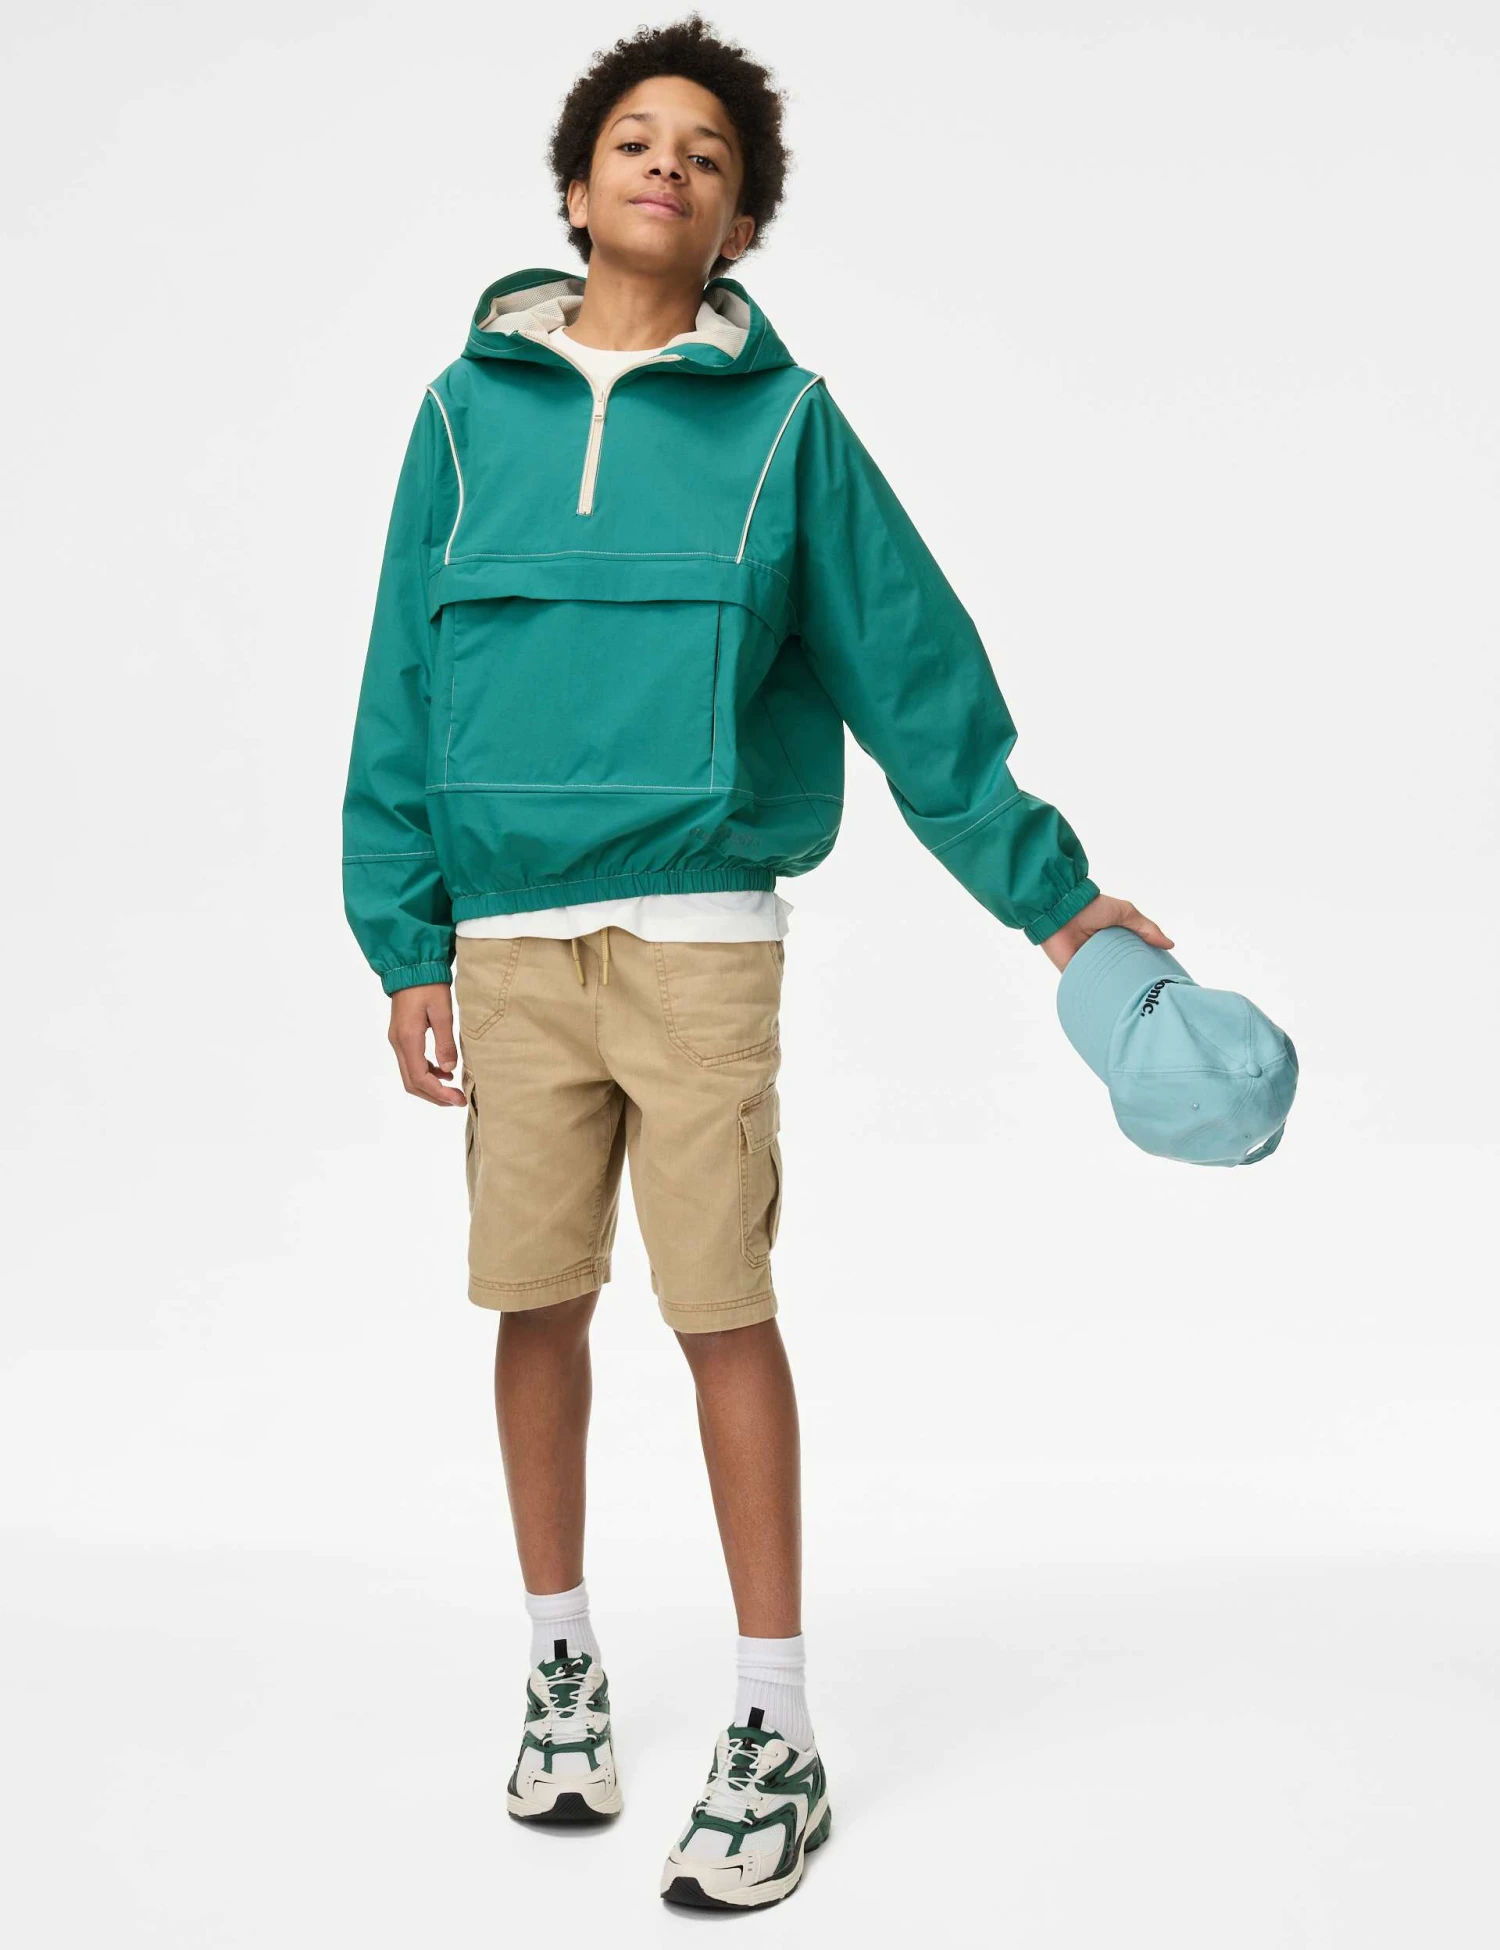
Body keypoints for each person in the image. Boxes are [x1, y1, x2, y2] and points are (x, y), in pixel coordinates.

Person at [341, 12, 1173, 1913]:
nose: (670, 163)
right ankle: (561, 1670)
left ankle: (775, 1725)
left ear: (741, 227)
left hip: (702, 938)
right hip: (507, 947)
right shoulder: (461, 417)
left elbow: (916, 676)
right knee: (533, 1304)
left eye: (709, 156)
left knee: (721, 1312)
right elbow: (400, 674)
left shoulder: (788, 430)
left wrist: (1058, 903)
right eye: (637, 138)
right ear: (573, 191)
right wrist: (404, 936)